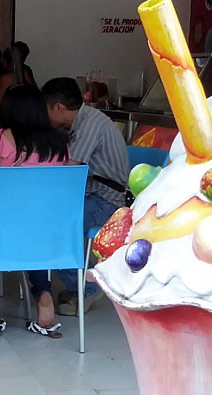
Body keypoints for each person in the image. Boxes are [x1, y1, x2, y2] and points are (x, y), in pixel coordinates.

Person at [0, 84, 71, 338]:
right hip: (49, 231)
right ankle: (45, 300)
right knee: (33, 234)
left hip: (5, 231)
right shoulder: (60, 144)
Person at [43, 77, 131, 317]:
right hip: (92, 197)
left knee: (47, 230)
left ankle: (88, 286)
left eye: (46, 110)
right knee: (47, 223)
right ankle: (80, 282)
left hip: (106, 203)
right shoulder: (83, 122)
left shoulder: (90, 124)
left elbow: (69, 174)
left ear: (58, 107)